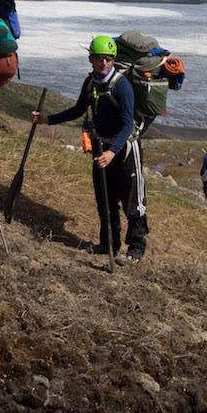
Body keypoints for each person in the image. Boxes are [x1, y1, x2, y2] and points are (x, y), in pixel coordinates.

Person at [32, 35, 148, 264]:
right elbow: (77, 110)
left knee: (132, 200)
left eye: (107, 58)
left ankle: (136, 247)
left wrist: (112, 151)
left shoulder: (122, 86)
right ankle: (109, 244)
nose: (103, 63)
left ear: (113, 59)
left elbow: (127, 125)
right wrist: (48, 120)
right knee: (105, 198)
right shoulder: (91, 83)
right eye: (98, 58)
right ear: (90, 59)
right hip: (101, 147)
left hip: (124, 150)